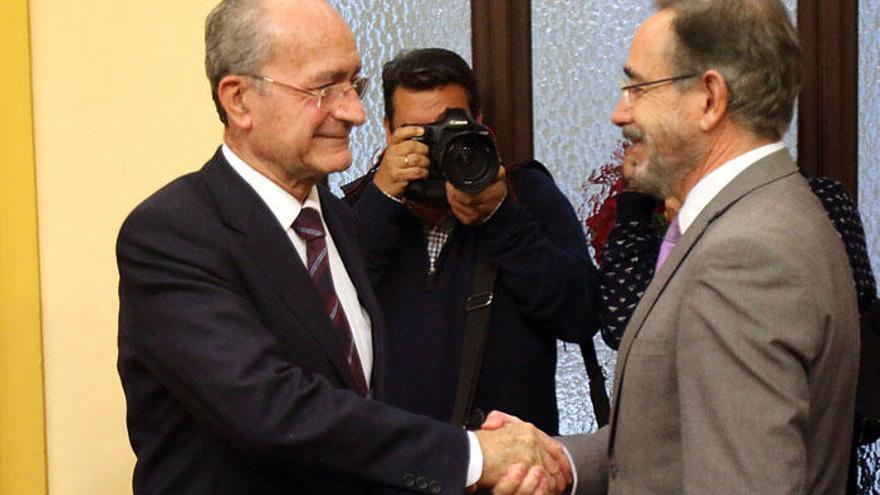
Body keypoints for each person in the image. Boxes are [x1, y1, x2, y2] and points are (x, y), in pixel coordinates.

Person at [115, 1, 570, 493]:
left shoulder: (334, 216)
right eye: (324, 88)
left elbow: (361, 403)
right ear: (239, 99)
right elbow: (272, 409)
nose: (353, 111)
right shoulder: (173, 234)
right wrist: (471, 455)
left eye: (354, 85)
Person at [492, 0, 860, 493]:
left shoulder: (747, 255)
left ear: (708, 98)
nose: (620, 112)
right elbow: (677, 437)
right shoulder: (752, 217)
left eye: (638, 88)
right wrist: (566, 461)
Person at [343, 48, 599, 436]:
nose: (433, 148)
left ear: (479, 124)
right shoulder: (360, 207)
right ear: (388, 131)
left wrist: (500, 218)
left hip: (509, 475)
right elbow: (325, 321)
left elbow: (580, 316)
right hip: (392, 466)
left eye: (448, 128)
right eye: (417, 134)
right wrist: (381, 201)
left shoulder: (525, 194)